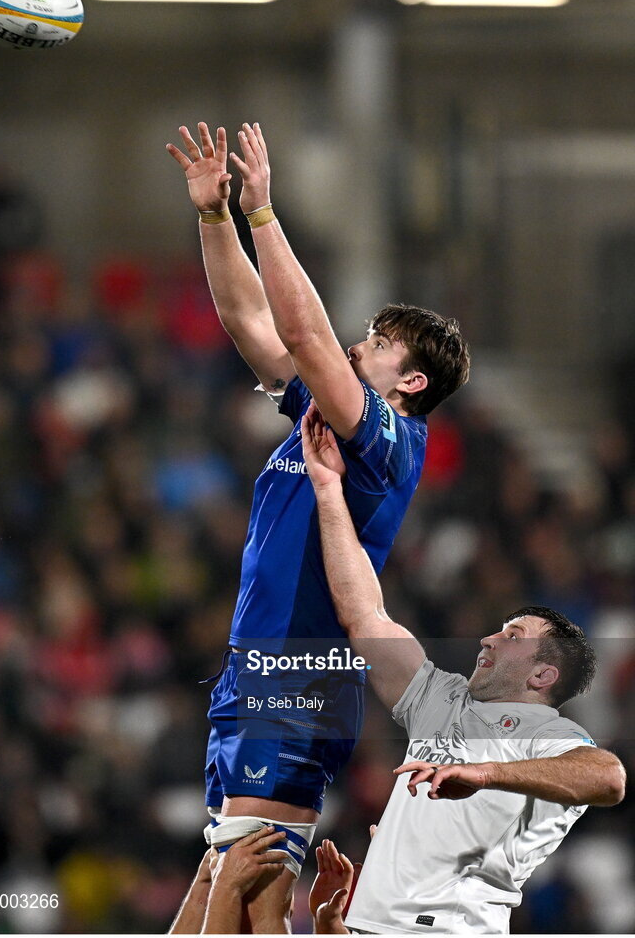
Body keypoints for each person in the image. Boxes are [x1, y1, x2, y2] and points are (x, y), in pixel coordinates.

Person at [166, 122, 470, 931]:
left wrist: (264, 213)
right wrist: (215, 216)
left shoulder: (386, 441)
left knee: (248, 893)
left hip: (297, 675)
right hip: (255, 669)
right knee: (219, 886)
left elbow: (299, 332)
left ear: (407, 381)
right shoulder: (330, 418)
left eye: (373, 345)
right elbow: (252, 325)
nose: (352, 346)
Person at [300, 403, 626, 935]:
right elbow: (364, 615)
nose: (489, 638)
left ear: (543, 676)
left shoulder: (554, 737)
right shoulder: (441, 699)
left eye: (514, 636)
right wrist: (328, 491)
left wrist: (485, 772)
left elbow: (608, 778)